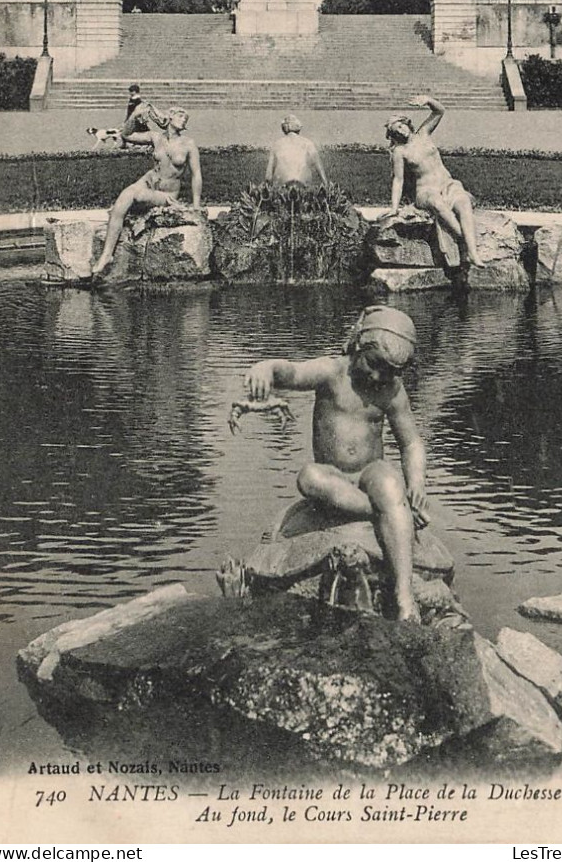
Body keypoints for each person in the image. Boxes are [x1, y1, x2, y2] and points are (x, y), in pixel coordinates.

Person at [245, 305, 429, 621]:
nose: (377, 376)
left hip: (370, 471)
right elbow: (292, 372)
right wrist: (266, 368)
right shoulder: (331, 372)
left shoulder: (391, 390)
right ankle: (388, 512)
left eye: (390, 371)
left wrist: (416, 484)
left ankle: (403, 593)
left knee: (388, 482)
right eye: (373, 364)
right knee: (308, 477)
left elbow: (411, 442)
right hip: (334, 475)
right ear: (357, 344)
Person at [91, 107, 202, 278]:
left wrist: (196, 207)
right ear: (170, 117)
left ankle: (108, 254)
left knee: (138, 195)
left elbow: (196, 175)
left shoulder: (189, 144)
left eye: (186, 117)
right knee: (123, 197)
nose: (184, 119)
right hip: (149, 180)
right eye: (181, 115)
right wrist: (135, 114)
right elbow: (127, 134)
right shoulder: (156, 137)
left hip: (167, 194)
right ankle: (107, 255)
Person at [385, 95, 484, 268]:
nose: (400, 131)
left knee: (463, 202)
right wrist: (394, 208)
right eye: (395, 131)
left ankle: (473, 253)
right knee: (438, 204)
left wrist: (428, 100)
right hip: (426, 191)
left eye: (401, 125)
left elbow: (440, 111)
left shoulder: (424, 133)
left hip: (448, 184)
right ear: (393, 136)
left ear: (407, 123)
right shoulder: (399, 152)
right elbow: (398, 180)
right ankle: (465, 242)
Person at [265, 114, 327, 187]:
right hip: (303, 184)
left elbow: (268, 176)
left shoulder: (276, 145)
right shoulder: (308, 143)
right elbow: (319, 167)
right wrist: (326, 185)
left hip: (281, 185)